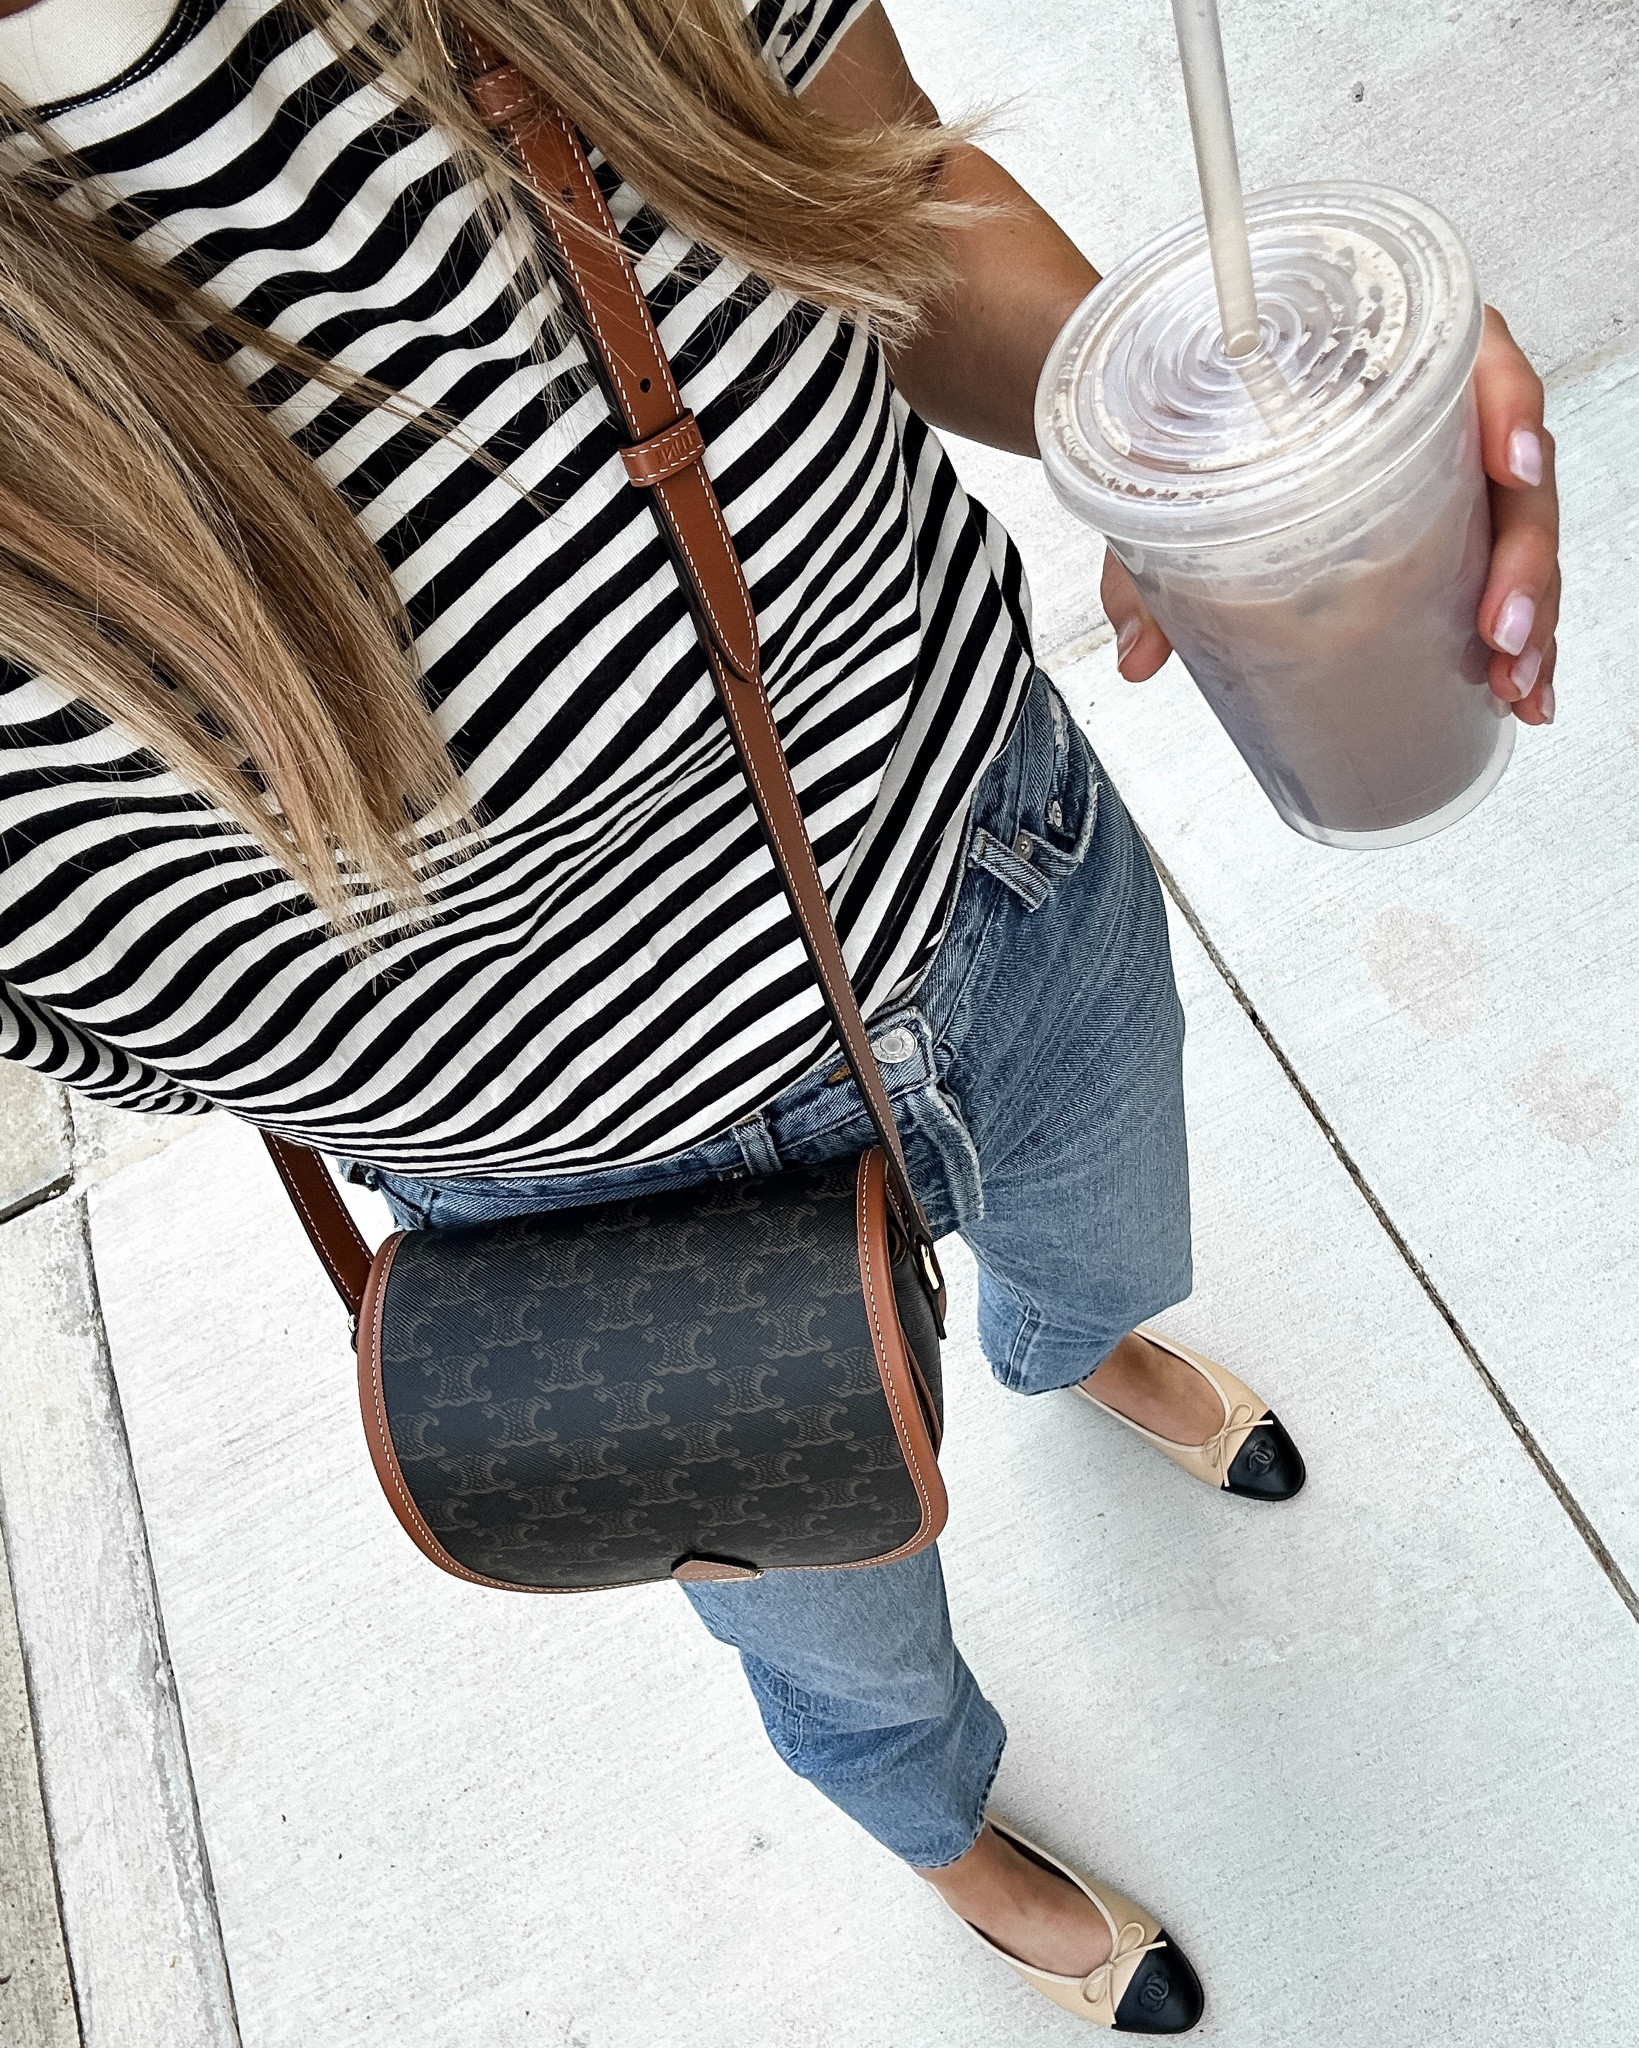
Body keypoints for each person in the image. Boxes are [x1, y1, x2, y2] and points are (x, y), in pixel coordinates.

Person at [0, 0, 1560, 2029]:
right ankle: (944, 1835)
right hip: (582, 1203)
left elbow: (881, 195)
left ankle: (1066, 1346)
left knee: (1100, 1256)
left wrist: (1192, 436)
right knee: (846, 1645)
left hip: (985, 858)